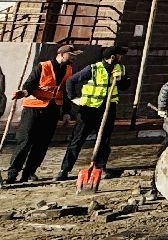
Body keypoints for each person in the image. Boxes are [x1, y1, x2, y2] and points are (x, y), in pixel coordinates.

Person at [4, 43, 77, 185]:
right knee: (25, 141)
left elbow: (66, 93)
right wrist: (23, 93)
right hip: (33, 108)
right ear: (62, 54)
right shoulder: (43, 66)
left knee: (42, 143)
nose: (73, 58)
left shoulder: (69, 70)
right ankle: (12, 173)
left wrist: (66, 113)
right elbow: (29, 85)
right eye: (71, 55)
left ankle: (29, 172)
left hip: (52, 110)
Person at [57, 45, 127, 181]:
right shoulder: (93, 68)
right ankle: (64, 170)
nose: (121, 57)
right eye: (119, 55)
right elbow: (71, 81)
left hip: (108, 109)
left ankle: (100, 168)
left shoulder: (120, 69)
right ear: (113, 57)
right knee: (77, 140)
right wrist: (74, 98)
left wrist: (121, 79)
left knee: (104, 141)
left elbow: (125, 86)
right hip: (89, 110)